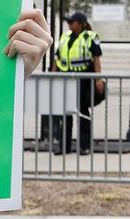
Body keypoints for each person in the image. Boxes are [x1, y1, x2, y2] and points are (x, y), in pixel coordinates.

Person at [52, 11, 104, 155]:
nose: (69, 24)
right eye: (68, 21)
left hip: (84, 78)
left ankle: (84, 146)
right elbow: (57, 58)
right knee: (66, 112)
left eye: (72, 22)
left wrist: (98, 79)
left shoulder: (90, 37)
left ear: (80, 24)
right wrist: (52, 75)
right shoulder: (65, 36)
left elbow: (96, 59)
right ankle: (64, 146)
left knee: (82, 112)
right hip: (66, 78)